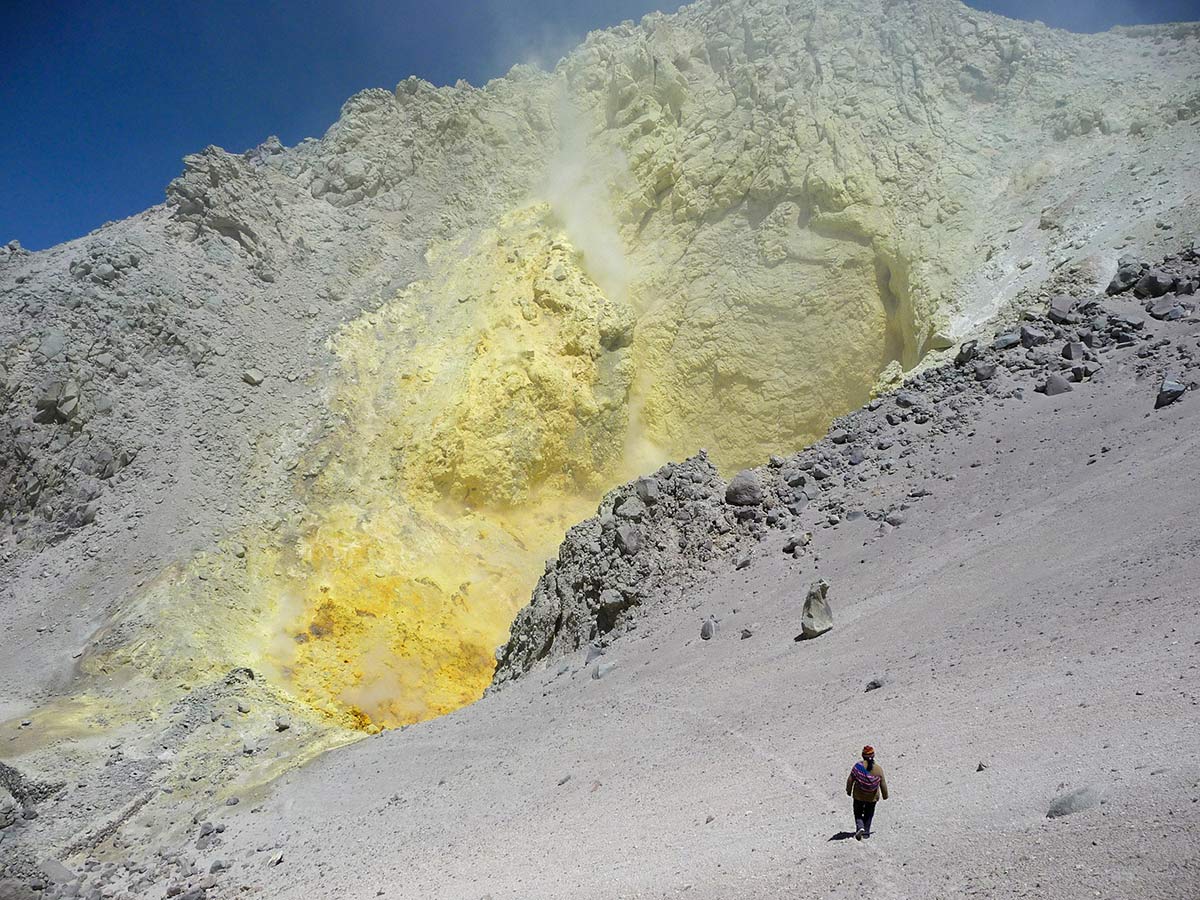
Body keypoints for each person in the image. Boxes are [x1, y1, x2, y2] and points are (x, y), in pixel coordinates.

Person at [845, 744, 888, 840]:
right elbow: (883, 783)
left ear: (862, 755)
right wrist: (885, 795)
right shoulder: (878, 769)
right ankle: (866, 832)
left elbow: (850, 779)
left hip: (858, 795)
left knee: (858, 812)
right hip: (872, 797)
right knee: (869, 813)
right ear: (873, 756)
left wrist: (848, 790)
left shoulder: (857, 766)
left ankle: (860, 827)